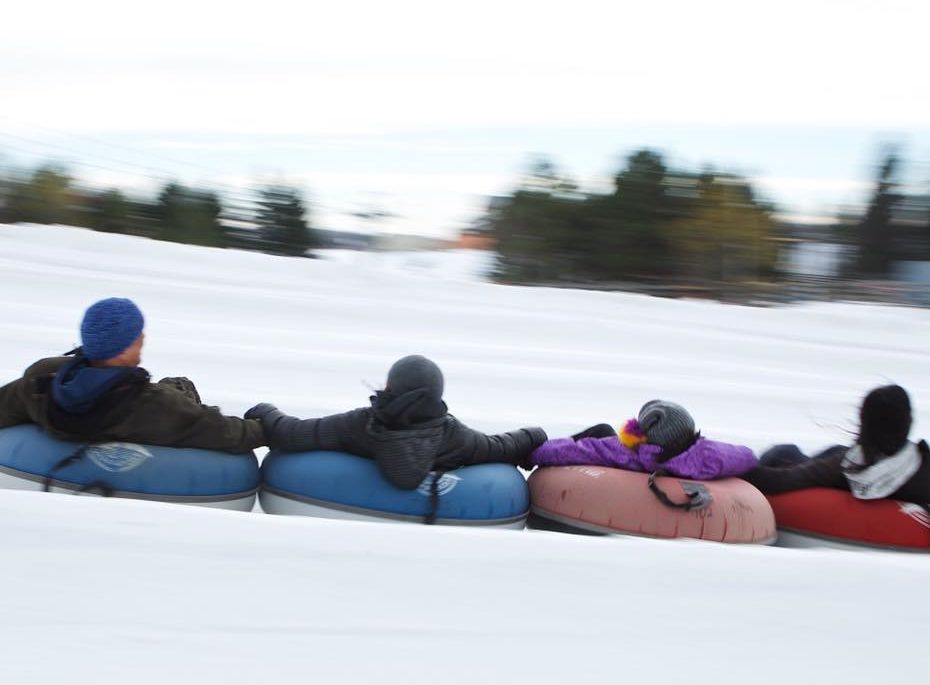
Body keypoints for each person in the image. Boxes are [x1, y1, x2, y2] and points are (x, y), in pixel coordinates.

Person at [0, 297, 264, 453]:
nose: (144, 338)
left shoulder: (43, 378)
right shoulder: (151, 405)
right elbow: (232, 434)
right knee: (180, 389)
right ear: (123, 350)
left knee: (177, 386)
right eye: (138, 335)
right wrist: (267, 424)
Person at [246, 354, 547, 489]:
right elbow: (498, 447)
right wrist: (534, 436)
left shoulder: (362, 425)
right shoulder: (453, 436)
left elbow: (295, 434)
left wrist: (264, 410)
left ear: (392, 388)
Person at [743, 384, 930, 503]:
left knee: (783, 452)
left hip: (806, 471)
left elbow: (779, 481)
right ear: (907, 422)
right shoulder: (922, 468)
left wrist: (735, 464)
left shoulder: (848, 467)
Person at [531, 400, 757, 480]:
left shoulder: (627, 453)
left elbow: (575, 451)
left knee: (601, 430)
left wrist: (535, 450)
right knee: (604, 430)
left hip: (632, 465)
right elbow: (747, 456)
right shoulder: (708, 455)